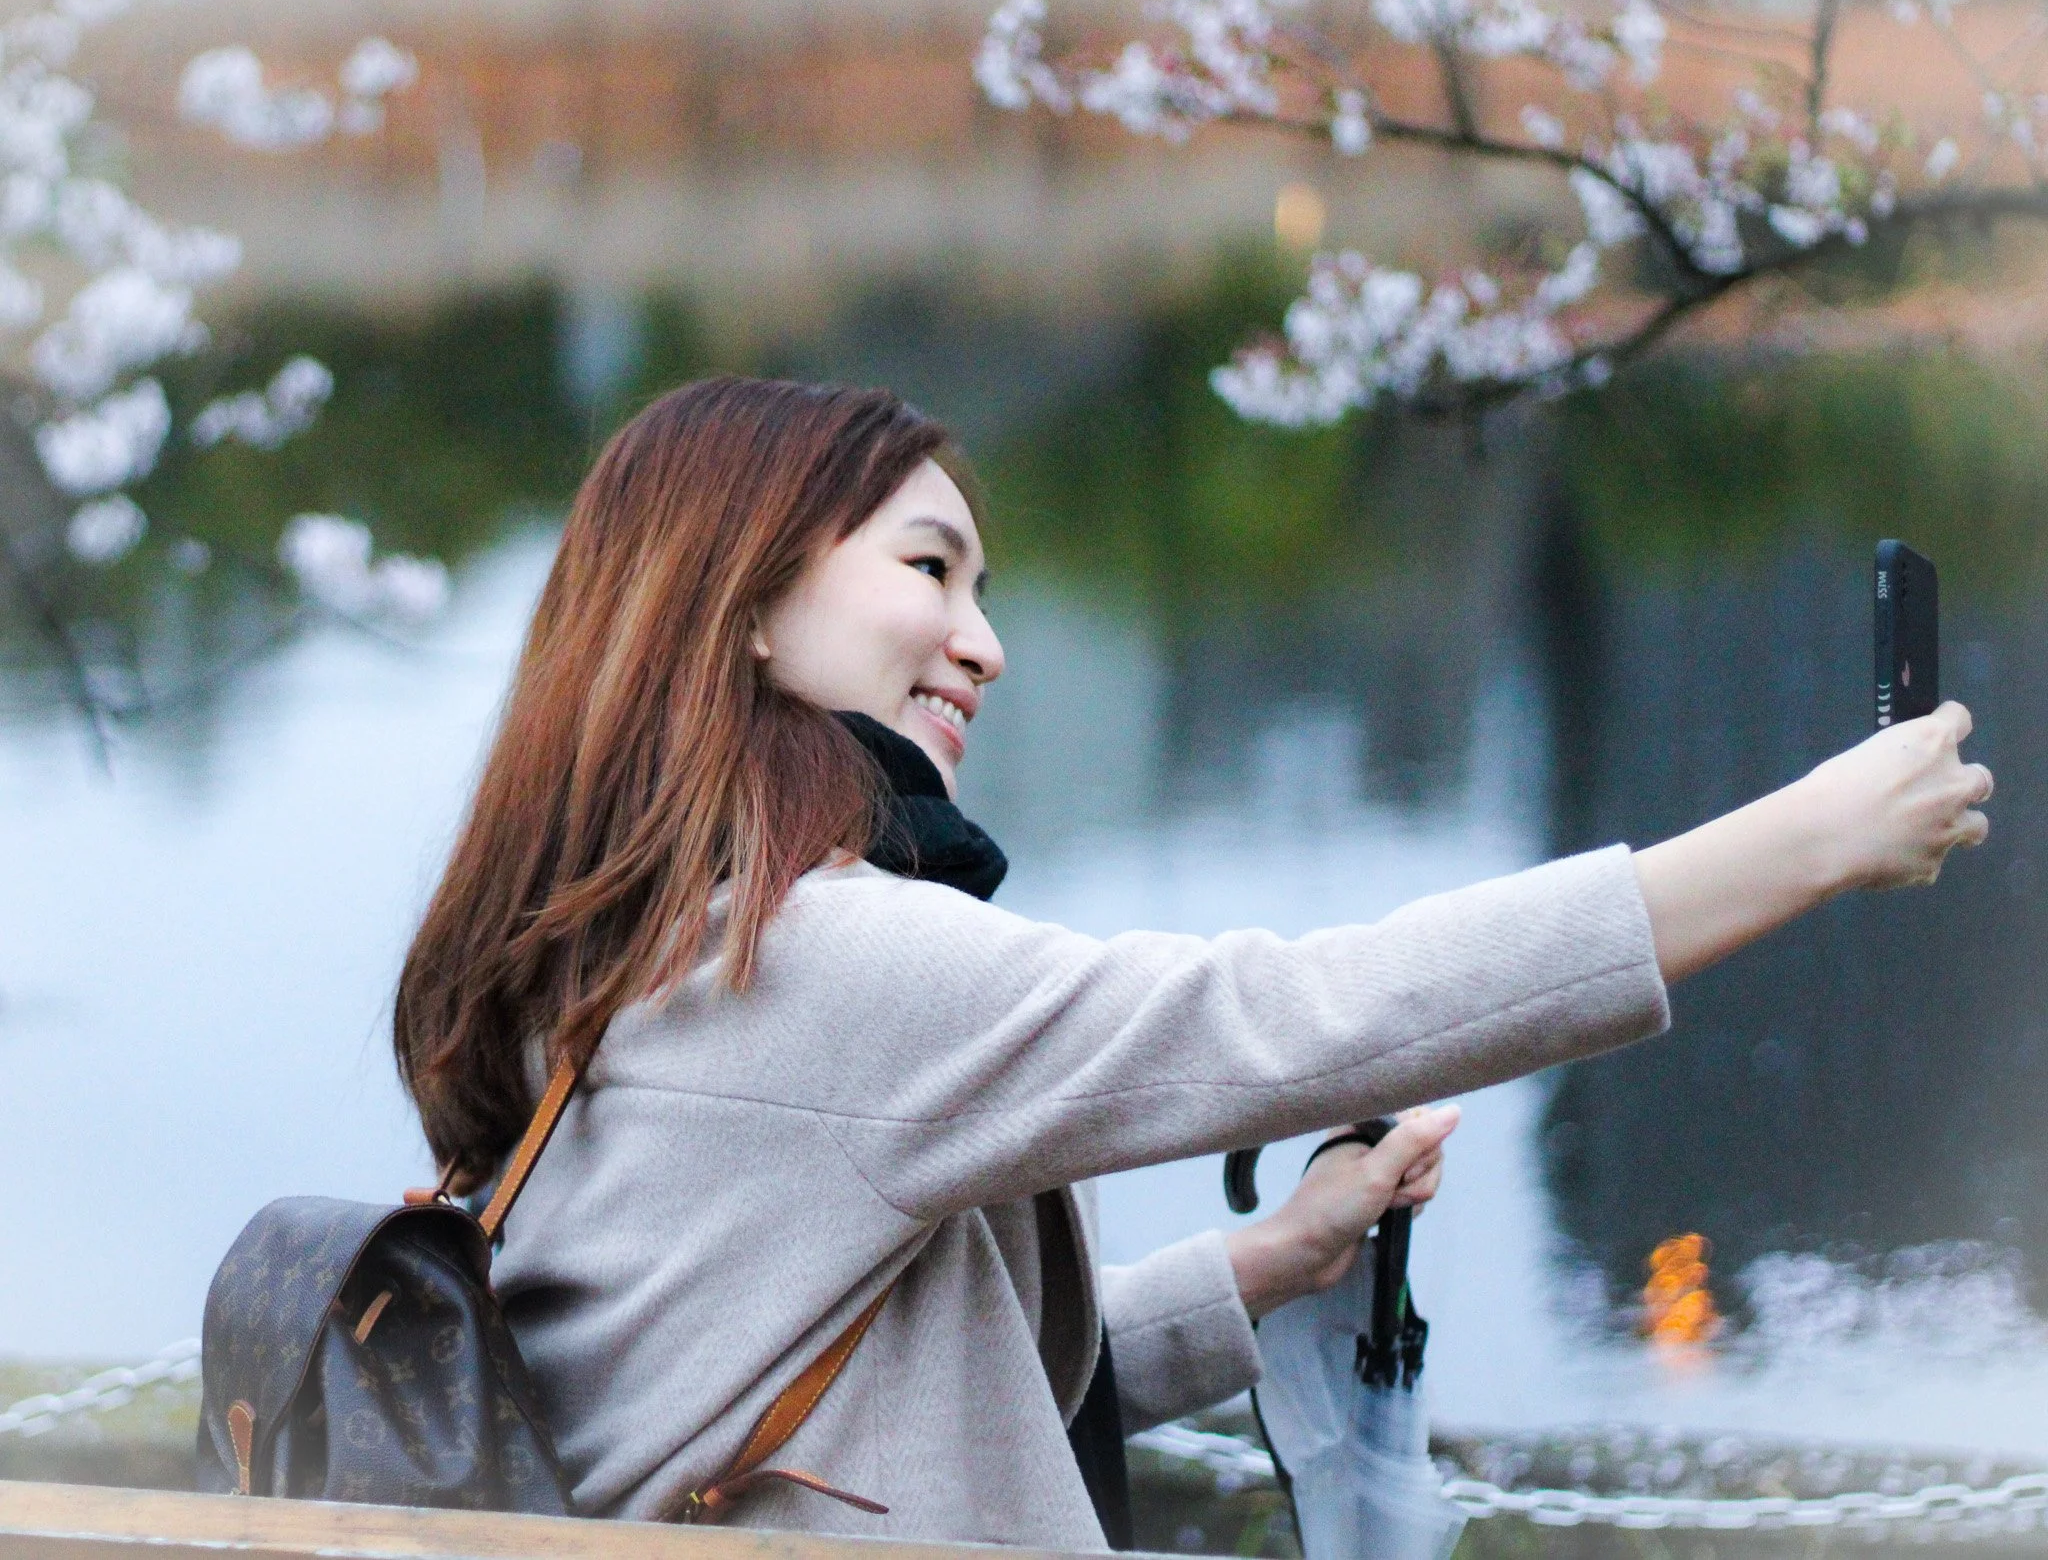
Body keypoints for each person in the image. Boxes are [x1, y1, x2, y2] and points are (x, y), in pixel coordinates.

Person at [392, 377, 1990, 1550]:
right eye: (930, 569)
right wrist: (1812, 838)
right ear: (740, 600)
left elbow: (908, 1387)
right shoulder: (815, 963)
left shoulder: (626, 959)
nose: (985, 641)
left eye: (981, 587)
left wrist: (1272, 1260)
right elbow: (1293, 1016)